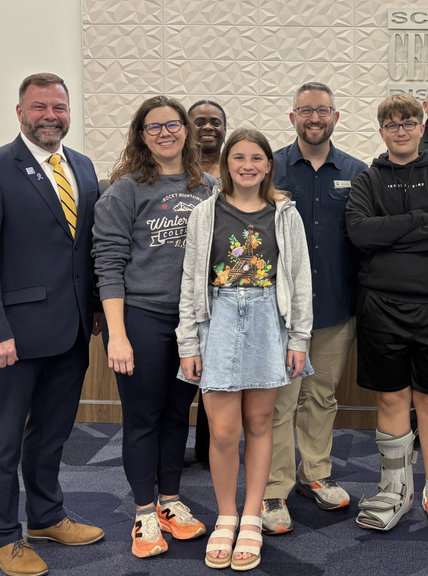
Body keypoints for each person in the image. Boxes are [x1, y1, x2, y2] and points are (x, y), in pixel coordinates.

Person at [0, 73, 103, 576]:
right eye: (40, 106)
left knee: (52, 435)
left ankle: (45, 515)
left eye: (59, 107)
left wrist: (99, 310)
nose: (51, 116)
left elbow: (85, 250)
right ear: (20, 112)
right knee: (1, 441)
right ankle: (1, 536)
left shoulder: (81, 167)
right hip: (12, 338)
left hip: (71, 330)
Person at [176, 128, 312, 571]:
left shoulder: (284, 213)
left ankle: (251, 515)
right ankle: (226, 514)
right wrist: (188, 341)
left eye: (257, 157)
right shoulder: (205, 212)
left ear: (269, 165)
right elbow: (190, 281)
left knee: (259, 422)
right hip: (216, 321)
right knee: (222, 431)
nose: (248, 165)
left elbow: (300, 279)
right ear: (226, 163)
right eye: (239, 157)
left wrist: (299, 339)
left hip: (267, 321)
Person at [92, 95, 214, 558]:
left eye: (173, 124)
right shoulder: (125, 189)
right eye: (153, 126)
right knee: (142, 418)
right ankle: (144, 514)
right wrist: (117, 334)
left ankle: (170, 501)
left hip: (193, 322)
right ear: (140, 136)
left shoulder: (209, 187)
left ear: (186, 129)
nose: (165, 132)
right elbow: (108, 263)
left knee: (175, 416)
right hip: (141, 318)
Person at [345, 94, 428, 532]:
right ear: (381, 131)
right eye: (391, 124)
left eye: (408, 122)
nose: (400, 130)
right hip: (381, 305)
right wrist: (419, 220)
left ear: (421, 127)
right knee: (392, 397)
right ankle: (395, 488)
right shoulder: (366, 180)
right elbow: (360, 232)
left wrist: (389, 235)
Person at [261, 82, 367, 534]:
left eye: (322, 110)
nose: (314, 118)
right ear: (293, 118)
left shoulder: (357, 172)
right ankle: (273, 489)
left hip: (336, 308)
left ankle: (315, 474)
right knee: (280, 404)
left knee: (321, 396)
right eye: (305, 111)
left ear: (335, 117)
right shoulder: (271, 169)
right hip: (280, 313)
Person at [187, 99, 228, 463]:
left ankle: (206, 451)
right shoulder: (175, 171)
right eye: (199, 121)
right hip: (179, 291)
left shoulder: (233, 173)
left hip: (224, 292)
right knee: (183, 381)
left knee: (215, 380)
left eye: (215, 122)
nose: (208, 127)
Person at [189, 100, 227, 179]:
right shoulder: (175, 169)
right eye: (199, 123)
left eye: (216, 123)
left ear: (225, 130)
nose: (208, 127)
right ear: (187, 130)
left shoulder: (236, 169)